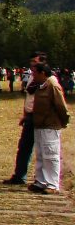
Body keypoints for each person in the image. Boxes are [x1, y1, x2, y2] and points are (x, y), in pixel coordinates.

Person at [3, 51, 50, 185]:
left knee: (42, 149)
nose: (32, 64)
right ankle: (20, 176)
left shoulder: (47, 79)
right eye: (31, 62)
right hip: (30, 116)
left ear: (43, 62)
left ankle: (42, 179)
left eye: (35, 62)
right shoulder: (31, 76)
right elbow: (29, 98)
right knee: (24, 147)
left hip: (40, 117)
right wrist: (25, 114)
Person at [28, 62, 69, 195]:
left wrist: (62, 122)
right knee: (40, 155)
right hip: (40, 125)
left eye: (35, 73)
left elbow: (61, 106)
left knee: (51, 156)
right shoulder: (41, 85)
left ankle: (52, 184)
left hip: (50, 126)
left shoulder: (52, 85)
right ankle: (41, 181)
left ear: (43, 73)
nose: (32, 75)